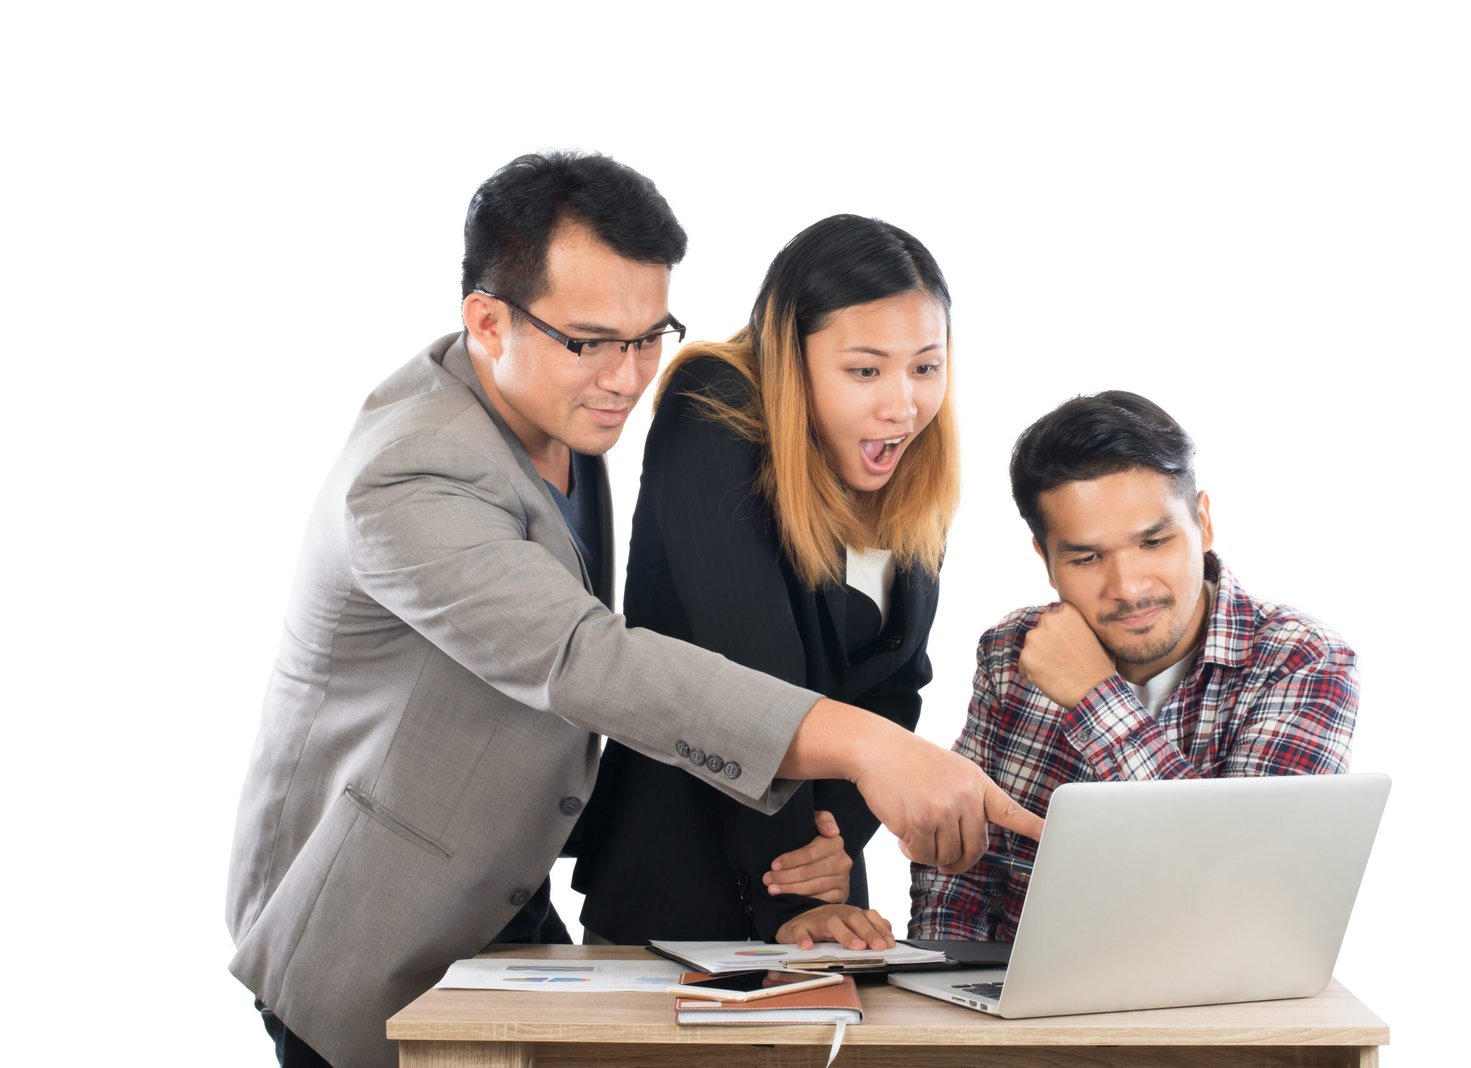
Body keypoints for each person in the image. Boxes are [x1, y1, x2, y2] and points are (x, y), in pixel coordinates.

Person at [226, 152, 1041, 1068]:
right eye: (591, 342)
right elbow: (585, 656)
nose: (626, 376)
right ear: (487, 321)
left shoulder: (557, 408)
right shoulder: (412, 471)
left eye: (648, 337)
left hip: (508, 903)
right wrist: (868, 746)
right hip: (369, 921)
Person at [575, 215, 957, 951]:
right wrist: (795, 890)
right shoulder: (712, 403)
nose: (902, 405)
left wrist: (833, 849)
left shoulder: (906, 466)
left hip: (822, 897)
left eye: (925, 367)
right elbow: (752, 660)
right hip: (679, 886)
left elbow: (897, 684)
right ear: (791, 354)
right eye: (866, 370)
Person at [908, 391, 1358, 942]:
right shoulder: (1012, 651)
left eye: (1154, 542)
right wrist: (940, 978)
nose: (1128, 588)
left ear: (1203, 522)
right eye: (1087, 557)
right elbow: (962, 874)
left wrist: (1094, 696)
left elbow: (1241, 892)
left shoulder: (1302, 660)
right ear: (1046, 560)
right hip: (1019, 988)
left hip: (1213, 993)